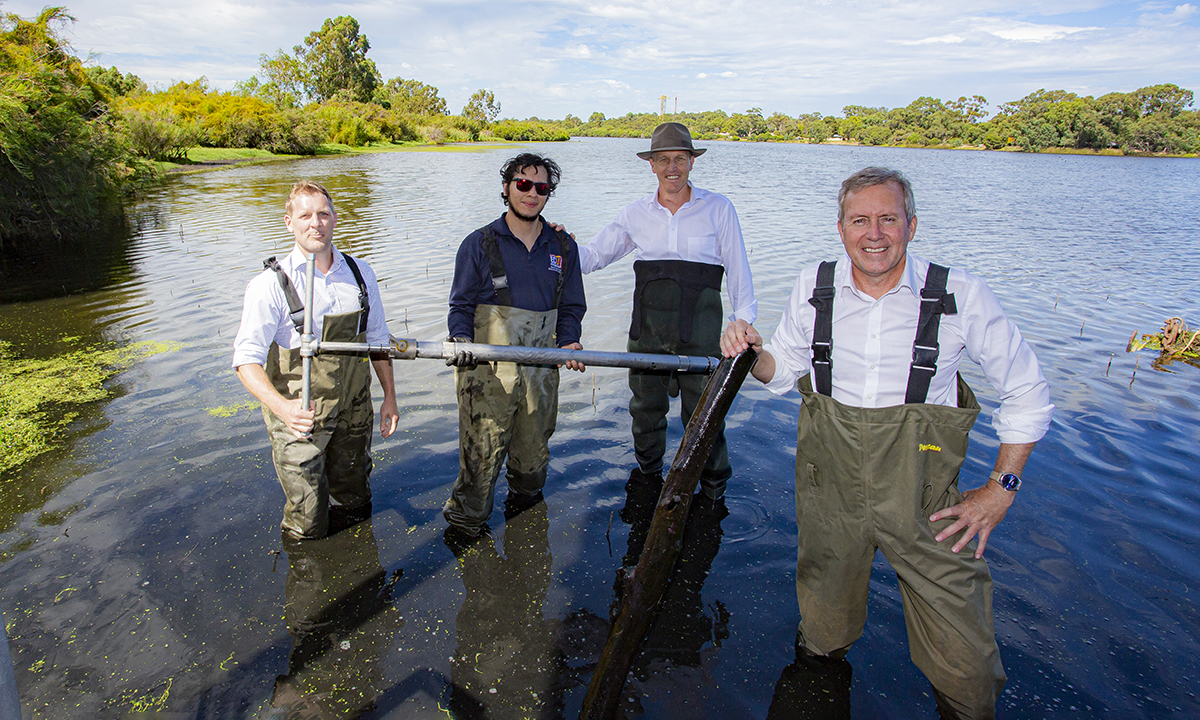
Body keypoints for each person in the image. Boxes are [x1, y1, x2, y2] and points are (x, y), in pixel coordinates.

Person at [721, 167, 1054, 719]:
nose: (874, 234)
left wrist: (1002, 488)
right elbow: (780, 373)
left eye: (888, 219)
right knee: (822, 637)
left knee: (966, 662)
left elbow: (1028, 391)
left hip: (926, 502)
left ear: (912, 225)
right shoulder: (814, 285)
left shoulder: (959, 295)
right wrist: (749, 348)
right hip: (831, 498)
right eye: (860, 220)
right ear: (841, 227)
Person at [579, 122, 756, 500]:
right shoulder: (634, 213)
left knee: (705, 415)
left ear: (692, 162)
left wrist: (743, 321)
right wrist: (553, 241)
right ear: (652, 165)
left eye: (679, 159)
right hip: (647, 332)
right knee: (645, 412)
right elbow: (592, 257)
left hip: (703, 334)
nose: (671, 167)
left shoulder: (719, 208)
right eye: (663, 160)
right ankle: (647, 480)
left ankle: (712, 491)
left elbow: (739, 267)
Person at [233, 180, 399, 540]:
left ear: (335, 219)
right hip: (299, 419)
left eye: (323, 214)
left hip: (354, 413)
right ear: (288, 222)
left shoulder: (360, 273)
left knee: (355, 501)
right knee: (306, 520)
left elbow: (378, 341)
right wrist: (283, 408)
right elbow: (246, 361)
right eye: (305, 215)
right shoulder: (269, 285)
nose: (316, 223)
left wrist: (389, 397)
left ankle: (359, 570)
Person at [442, 153, 586, 538]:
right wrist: (461, 342)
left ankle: (525, 527)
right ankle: (465, 530)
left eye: (541, 187)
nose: (531, 194)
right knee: (481, 458)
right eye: (523, 184)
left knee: (533, 459)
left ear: (548, 194)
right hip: (486, 371)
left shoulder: (563, 246)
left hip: (542, 370)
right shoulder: (478, 243)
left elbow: (572, 305)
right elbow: (460, 305)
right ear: (506, 188)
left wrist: (569, 339)